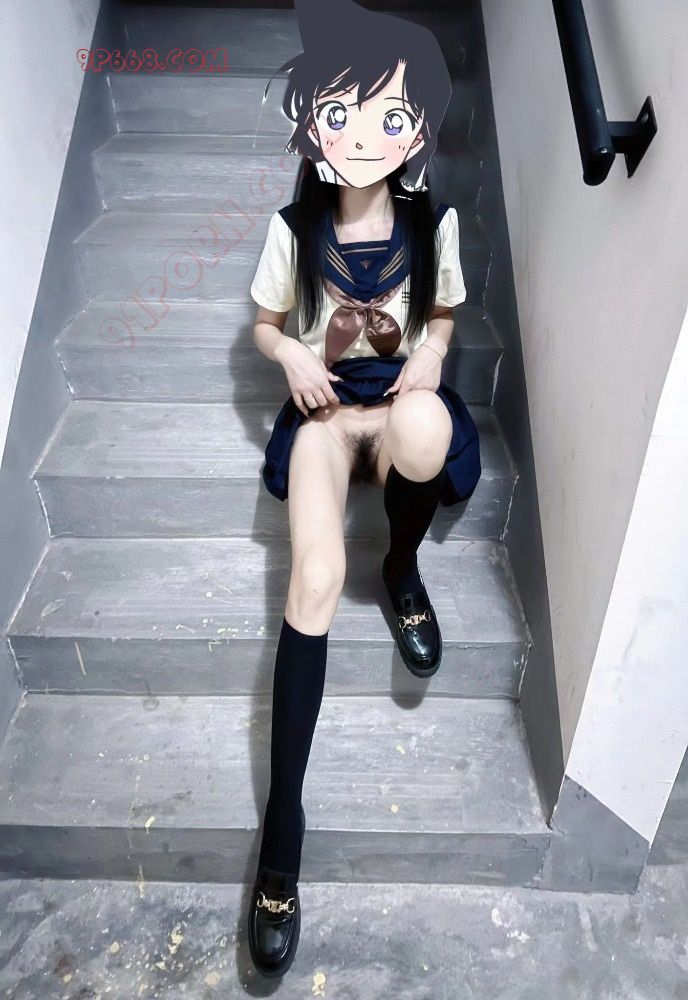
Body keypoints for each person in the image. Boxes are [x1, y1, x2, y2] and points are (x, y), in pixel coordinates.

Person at [246, 0, 481, 978]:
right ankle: (281, 840)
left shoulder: (433, 222)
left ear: (418, 133)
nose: (359, 135)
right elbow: (264, 324)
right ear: (311, 124)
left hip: (398, 405)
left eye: (389, 116)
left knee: (425, 427)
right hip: (326, 411)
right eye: (339, 113)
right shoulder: (292, 228)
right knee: (310, 579)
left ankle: (401, 569)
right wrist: (295, 352)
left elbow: (443, 313)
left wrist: (428, 355)